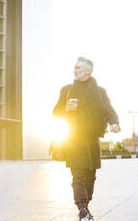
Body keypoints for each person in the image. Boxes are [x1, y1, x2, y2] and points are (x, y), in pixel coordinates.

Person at [53, 57, 120, 221]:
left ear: (87, 72)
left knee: (90, 176)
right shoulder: (66, 90)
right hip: (74, 140)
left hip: (92, 140)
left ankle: (85, 204)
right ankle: (82, 209)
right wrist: (65, 108)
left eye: (78, 68)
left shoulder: (99, 92)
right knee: (78, 175)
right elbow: (56, 112)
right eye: (74, 67)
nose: (74, 70)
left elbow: (109, 110)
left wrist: (114, 123)